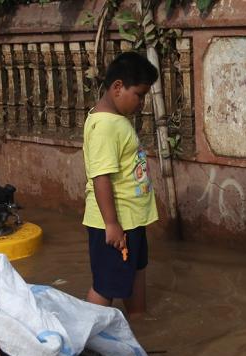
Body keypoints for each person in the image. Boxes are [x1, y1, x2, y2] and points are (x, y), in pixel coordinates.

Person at [82, 52, 159, 319]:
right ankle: (86, 339)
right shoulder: (105, 127)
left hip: (131, 219)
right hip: (116, 222)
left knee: (136, 269)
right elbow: (101, 177)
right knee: (106, 286)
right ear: (117, 87)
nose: (141, 103)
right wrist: (112, 224)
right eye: (139, 95)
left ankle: (139, 320)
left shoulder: (115, 121)